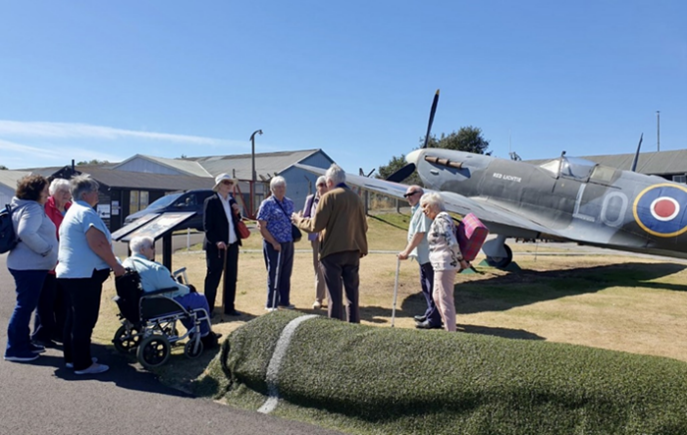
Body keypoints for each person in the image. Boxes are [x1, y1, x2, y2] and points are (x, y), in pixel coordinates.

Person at [56, 175, 125, 375]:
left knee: (73, 317)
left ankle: (73, 358)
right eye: (95, 191)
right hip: (84, 275)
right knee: (84, 319)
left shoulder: (72, 211)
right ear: (85, 194)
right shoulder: (86, 213)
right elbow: (98, 243)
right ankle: (83, 364)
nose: (98, 195)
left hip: (71, 273)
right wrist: (115, 265)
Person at [292, 164, 368, 323]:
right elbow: (364, 226)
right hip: (353, 251)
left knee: (334, 296)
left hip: (332, 253)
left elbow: (315, 226)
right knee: (352, 295)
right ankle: (354, 327)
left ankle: (335, 330)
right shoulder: (356, 198)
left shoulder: (329, 197)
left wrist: (298, 220)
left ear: (330, 182)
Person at [123, 236, 221, 347]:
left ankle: (195, 331)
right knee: (199, 299)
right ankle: (205, 335)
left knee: (188, 303)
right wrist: (188, 288)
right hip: (157, 304)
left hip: (139, 304)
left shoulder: (126, 264)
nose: (154, 250)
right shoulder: (152, 268)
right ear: (142, 250)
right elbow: (172, 287)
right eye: (152, 247)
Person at [4, 175, 58, 363]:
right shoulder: (33, 208)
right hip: (30, 266)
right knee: (24, 307)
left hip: (25, 265)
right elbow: (26, 232)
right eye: (45, 189)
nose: (48, 192)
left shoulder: (22, 205)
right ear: (36, 191)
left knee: (26, 306)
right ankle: (15, 349)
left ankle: (23, 343)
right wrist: (47, 250)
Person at [31, 178, 72, 347]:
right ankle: (41, 336)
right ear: (52, 192)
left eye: (68, 191)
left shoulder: (70, 209)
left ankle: (59, 333)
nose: (66, 195)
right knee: (45, 303)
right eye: (62, 191)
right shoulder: (44, 207)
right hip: (47, 263)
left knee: (63, 302)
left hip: (65, 263)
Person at [419, 192, 468, 332]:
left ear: (434, 205)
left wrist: (461, 260)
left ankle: (450, 331)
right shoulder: (443, 219)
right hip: (441, 263)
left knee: (445, 298)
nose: (423, 210)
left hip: (445, 263)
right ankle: (448, 327)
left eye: (425, 206)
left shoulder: (442, 219)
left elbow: (451, 242)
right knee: (437, 296)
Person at [398, 185, 442, 330]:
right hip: (423, 256)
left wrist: (406, 251)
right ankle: (430, 313)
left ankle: (434, 319)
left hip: (429, 256)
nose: (408, 197)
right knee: (426, 286)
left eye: (411, 193)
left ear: (421, 194)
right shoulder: (417, 209)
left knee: (432, 287)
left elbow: (420, 233)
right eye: (406, 195)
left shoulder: (424, 210)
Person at [202, 173, 243, 316]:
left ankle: (229, 307)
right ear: (219, 185)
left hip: (232, 245)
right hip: (217, 247)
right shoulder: (211, 201)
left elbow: (235, 222)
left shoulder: (231, 201)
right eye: (226, 182)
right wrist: (217, 241)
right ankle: (208, 309)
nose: (229, 185)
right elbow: (207, 226)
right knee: (213, 277)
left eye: (230, 183)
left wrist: (237, 212)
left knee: (231, 277)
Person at [257, 176, 296, 311]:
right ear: (272, 189)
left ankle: (284, 301)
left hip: (288, 242)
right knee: (274, 273)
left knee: (286, 273)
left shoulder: (289, 203)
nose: (281, 189)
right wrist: (273, 242)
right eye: (278, 187)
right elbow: (261, 226)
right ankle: (271, 303)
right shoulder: (267, 204)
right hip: (273, 243)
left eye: (283, 187)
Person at [302, 175, 328, 309]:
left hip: (330, 238)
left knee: (330, 267)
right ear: (317, 186)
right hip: (316, 238)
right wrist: (312, 223)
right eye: (320, 184)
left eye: (325, 184)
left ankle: (327, 298)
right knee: (318, 267)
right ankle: (319, 298)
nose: (323, 187)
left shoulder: (332, 198)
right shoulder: (311, 199)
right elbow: (305, 217)